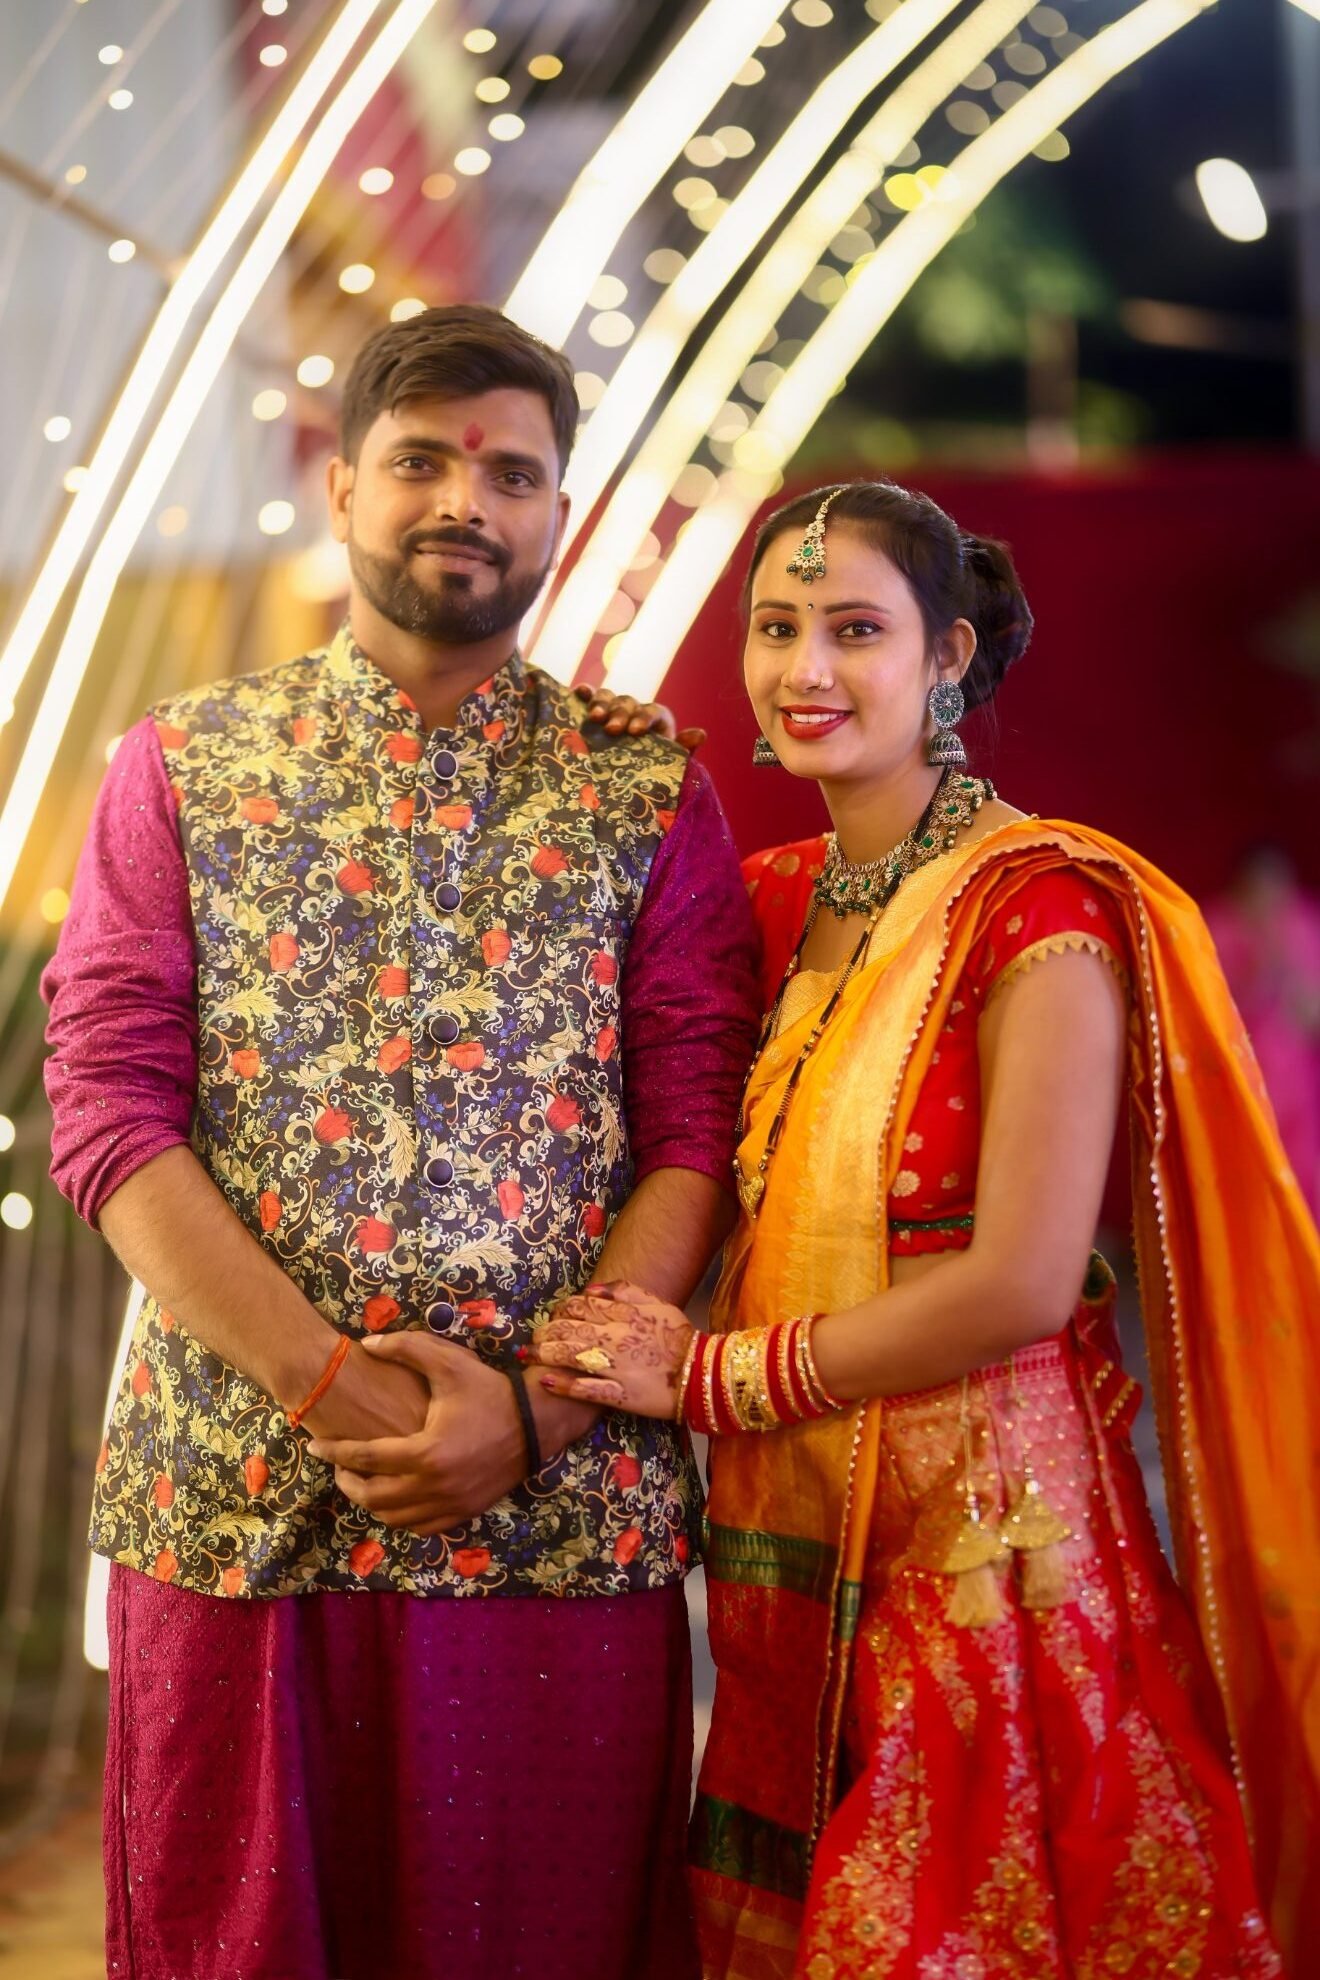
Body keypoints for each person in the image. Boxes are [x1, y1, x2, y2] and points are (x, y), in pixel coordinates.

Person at [41, 303, 761, 1980]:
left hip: (557, 1520)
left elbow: (698, 1133)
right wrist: (334, 1391)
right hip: (240, 1500)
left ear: (559, 511)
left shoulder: (645, 789)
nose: (466, 502)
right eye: (423, 460)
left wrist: (537, 1414)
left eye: (513, 474)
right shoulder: (184, 767)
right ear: (345, 487)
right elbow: (109, 1110)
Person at [535, 480, 1320, 1978]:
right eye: (777, 629)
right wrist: (614, 786)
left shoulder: (1038, 910)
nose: (805, 670)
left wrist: (710, 1377)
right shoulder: (771, 902)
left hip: (986, 1556)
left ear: (948, 655)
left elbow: (1024, 1280)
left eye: (855, 631)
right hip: (795, 1535)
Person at [1205, 844, 1320, 1222]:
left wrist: (1287, 972)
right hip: (1236, 1078)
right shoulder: (1216, 928)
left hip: (1297, 1089)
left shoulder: (1304, 925)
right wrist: (1255, 973)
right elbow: (1206, 1010)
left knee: (1302, 1177)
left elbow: (1312, 1016)